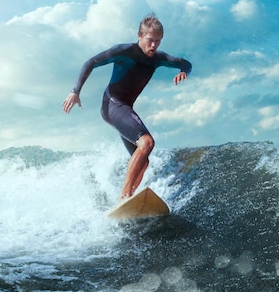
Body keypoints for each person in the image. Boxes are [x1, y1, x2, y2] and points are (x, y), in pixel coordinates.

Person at [62, 13, 192, 200]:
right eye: (150, 40)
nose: (154, 45)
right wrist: (75, 91)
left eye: (158, 41)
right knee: (147, 142)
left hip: (125, 109)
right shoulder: (124, 52)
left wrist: (183, 72)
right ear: (140, 36)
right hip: (112, 104)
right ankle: (124, 195)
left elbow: (185, 63)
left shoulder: (157, 59)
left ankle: (127, 199)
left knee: (144, 160)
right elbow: (90, 62)